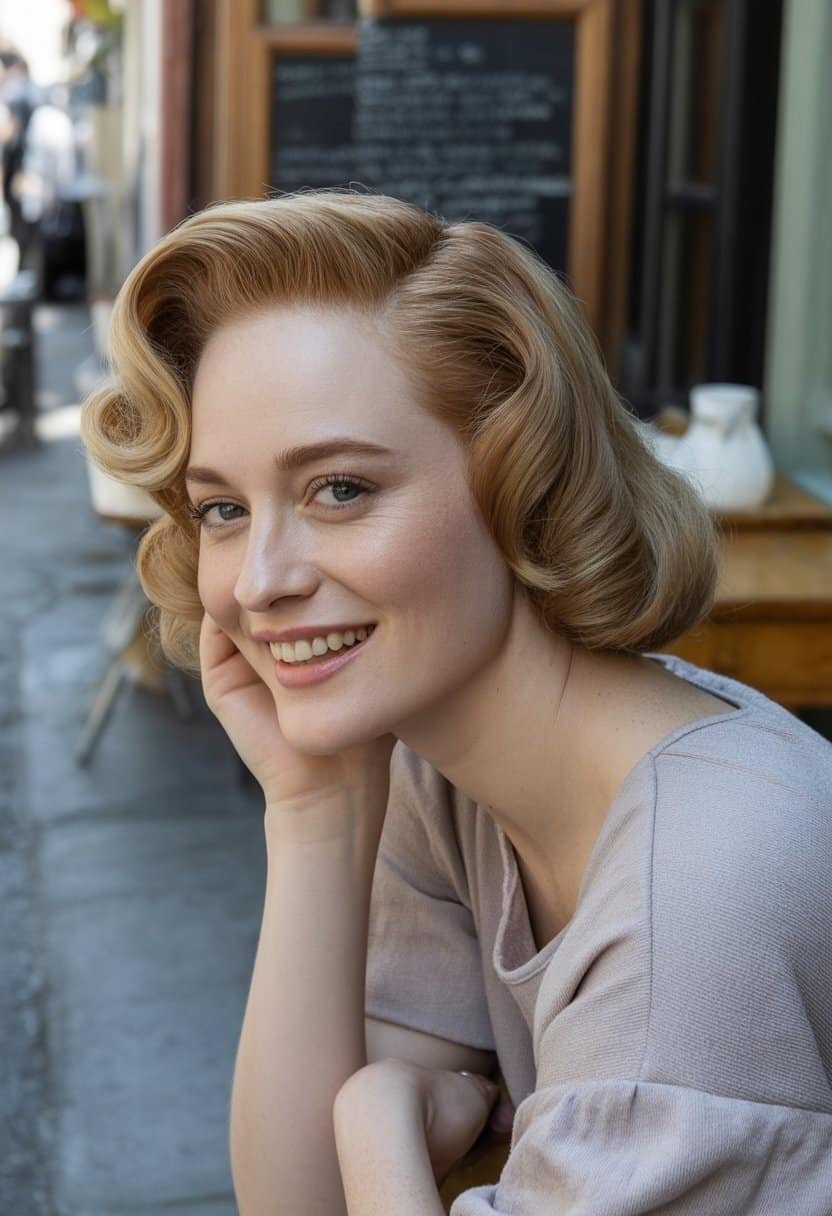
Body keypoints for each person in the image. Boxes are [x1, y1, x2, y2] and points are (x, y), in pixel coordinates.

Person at [80, 190, 832, 1216]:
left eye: (338, 488)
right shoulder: (445, 776)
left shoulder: (698, 897)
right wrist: (314, 812)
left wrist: (376, 1115)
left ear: (520, 476)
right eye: (222, 508)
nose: (257, 580)